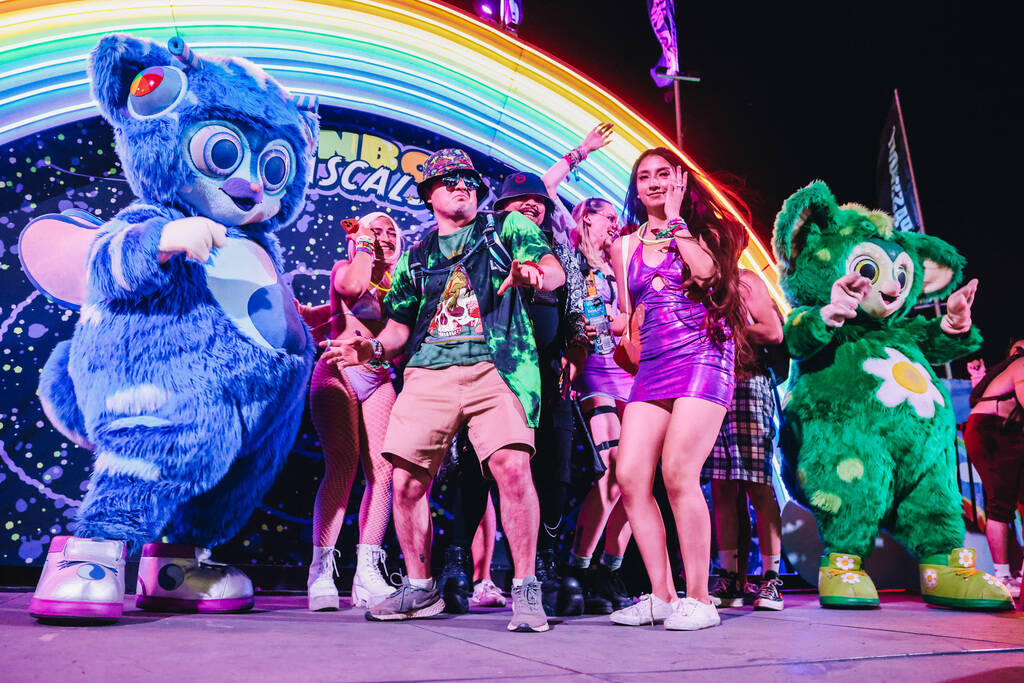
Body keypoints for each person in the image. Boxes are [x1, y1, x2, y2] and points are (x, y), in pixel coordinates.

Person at [323, 148, 565, 633]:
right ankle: (419, 587)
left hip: (497, 367)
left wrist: (534, 276)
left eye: (468, 181)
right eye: (450, 180)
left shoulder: (507, 229)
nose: (462, 186)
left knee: (512, 469)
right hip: (427, 373)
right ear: (429, 195)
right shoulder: (417, 255)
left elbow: (553, 271)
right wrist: (368, 350)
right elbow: (396, 329)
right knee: (407, 483)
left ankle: (525, 588)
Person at [438, 124, 613, 616]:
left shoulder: (562, 257)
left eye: (539, 201)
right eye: (522, 201)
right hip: (491, 378)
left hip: (552, 382)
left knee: (553, 472)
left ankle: (549, 570)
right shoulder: (480, 247)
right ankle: (456, 567)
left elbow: (583, 318)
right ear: (502, 211)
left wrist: (574, 359)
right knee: (475, 472)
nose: (533, 206)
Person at [607, 147, 750, 631]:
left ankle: (700, 598)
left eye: (662, 174)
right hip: (653, 364)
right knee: (628, 475)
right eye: (643, 176)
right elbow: (633, 317)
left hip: (704, 356)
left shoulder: (705, 232)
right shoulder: (624, 247)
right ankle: (662, 596)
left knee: (678, 473)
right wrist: (616, 328)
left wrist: (676, 223)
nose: (652, 182)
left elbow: (708, 275)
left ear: (680, 180)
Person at [303, 212, 402, 611]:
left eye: (391, 232)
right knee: (341, 468)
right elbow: (353, 285)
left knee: (384, 472)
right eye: (376, 229)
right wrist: (364, 243)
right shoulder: (348, 267)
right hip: (337, 372)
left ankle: (367, 573)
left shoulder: (401, 282)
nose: (385, 237)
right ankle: (321, 571)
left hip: (379, 377)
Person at [565, 197, 636, 614]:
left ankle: (609, 572)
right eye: (609, 216)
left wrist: (623, 318)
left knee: (634, 478)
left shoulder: (622, 264)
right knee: (610, 473)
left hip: (630, 369)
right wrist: (582, 152)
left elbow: (629, 315)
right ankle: (579, 568)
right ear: (587, 217)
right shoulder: (574, 259)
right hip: (593, 369)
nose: (616, 224)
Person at [703, 267, 786, 611]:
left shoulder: (744, 279)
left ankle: (770, 578)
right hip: (710, 384)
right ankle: (730, 577)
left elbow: (773, 331)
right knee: (722, 486)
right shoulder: (695, 283)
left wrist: (730, 329)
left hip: (748, 381)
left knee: (757, 484)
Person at [963, 336, 1024, 599]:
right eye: (1018, 348)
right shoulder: (1022, 364)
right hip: (992, 432)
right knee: (1001, 501)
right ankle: (1003, 576)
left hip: (1010, 432)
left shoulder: (1004, 372)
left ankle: (1018, 573)